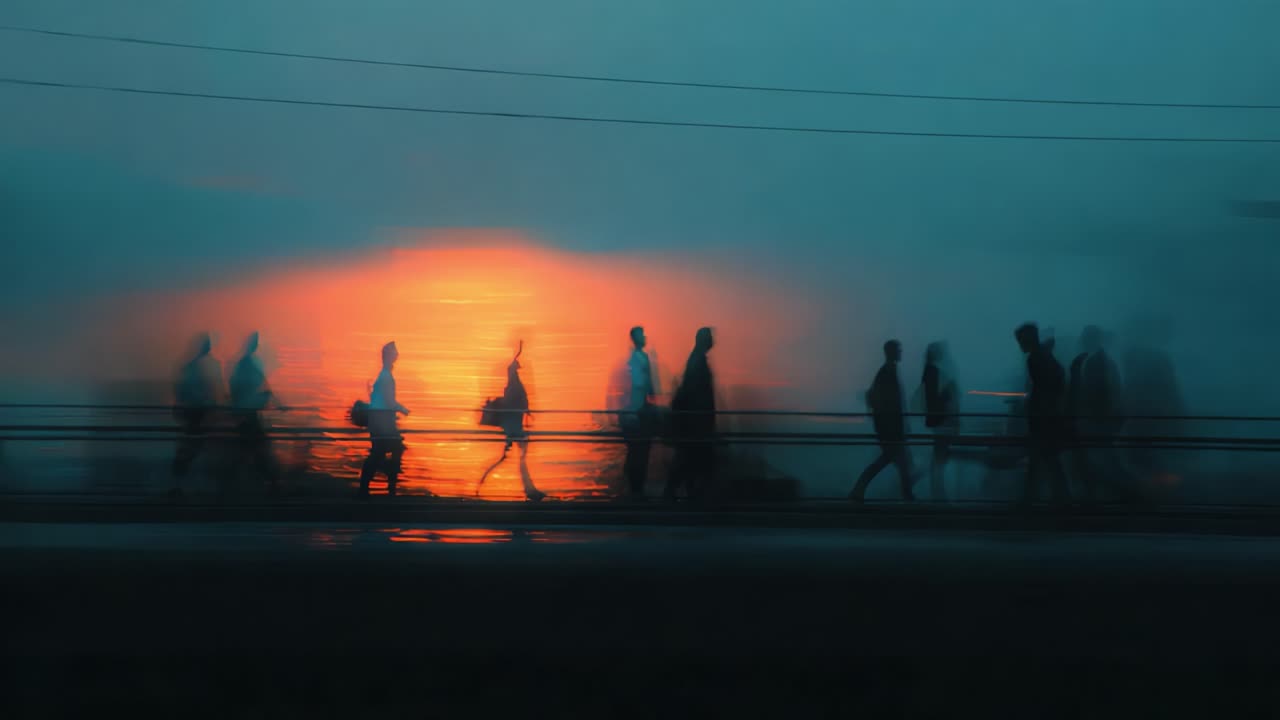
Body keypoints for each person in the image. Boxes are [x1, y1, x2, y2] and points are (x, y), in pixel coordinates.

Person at [477, 342, 546, 502]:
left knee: (514, 459)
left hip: (514, 428)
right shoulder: (513, 387)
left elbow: (520, 403)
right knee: (517, 459)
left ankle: (530, 490)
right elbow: (517, 403)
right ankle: (529, 491)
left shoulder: (513, 386)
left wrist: (526, 413)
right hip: (514, 429)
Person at [1068, 326, 1129, 503]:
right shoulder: (1103, 361)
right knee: (1101, 458)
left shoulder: (1095, 362)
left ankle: (1122, 494)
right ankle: (1103, 494)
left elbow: (1094, 393)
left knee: (1097, 459)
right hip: (1101, 419)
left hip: (1096, 419)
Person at [850, 340, 916, 503]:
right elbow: (892, 403)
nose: (901, 352)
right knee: (896, 463)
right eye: (898, 350)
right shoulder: (887, 372)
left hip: (889, 428)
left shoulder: (887, 371)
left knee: (893, 462)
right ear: (891, 352)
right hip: (891, 429)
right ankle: (906, 496)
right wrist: (899, 427)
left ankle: (859, 490)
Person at [1015, 323, 1070, 507]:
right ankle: (1058, 499)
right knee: (1048, 460)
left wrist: (1033, 409)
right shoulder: (1046, 356)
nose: (1019, 345)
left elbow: (1042, 390)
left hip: (1042, 419)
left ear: (1027, 340)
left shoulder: (1034, 359)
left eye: (1020, 341)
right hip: (1050, 417)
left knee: (1041, 460)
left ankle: (1034, 500)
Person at [666, 327, 716, 502]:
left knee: (688, 460)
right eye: (709, 337)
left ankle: (684, 493)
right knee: (689, 459)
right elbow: (696, 394)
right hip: (696, 423)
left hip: (694, 422)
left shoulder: (696, 359)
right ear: (702, 340)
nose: (713, 340)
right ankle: (680, 494)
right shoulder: (698, 362)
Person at [171, 332, 223, 497]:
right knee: (196, 448)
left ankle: (180, 484)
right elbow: (212, 390)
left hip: (195, 413)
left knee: (191, 448)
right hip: (200, 413)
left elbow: (181, 391)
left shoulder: (190, 366)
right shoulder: (207, 366)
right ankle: (188, 485)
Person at [228, 331, 278, 495]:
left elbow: (259, 384)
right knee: (257, 448)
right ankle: (269, 483)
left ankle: (261, 482)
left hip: (245, 413)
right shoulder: (248, 364)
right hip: (247, 413)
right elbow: (260, 385)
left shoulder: (244, 364)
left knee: (249, 449)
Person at [359, 341, 410, 498]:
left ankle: (378, 484)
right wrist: (402, 409)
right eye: (394, 355)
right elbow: (389, 400)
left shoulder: (384, 375)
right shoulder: (386, 377)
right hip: (382, 422)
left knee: (382, 452)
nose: (396, 358)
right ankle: (389, 486)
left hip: (381, 421)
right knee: (390, 450)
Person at [621, 326, 658, 499]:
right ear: (636, 339)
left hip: (638, 411)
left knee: (638, 451)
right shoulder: (636, 360)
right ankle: (635, 489)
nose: (645, 337)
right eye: (642, 335)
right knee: (638, 451)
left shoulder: (641, 358)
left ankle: (635, 488)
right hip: (637, 413)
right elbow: (639, 385)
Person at [921, 342, 959, 502]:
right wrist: (948, 392)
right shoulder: (933, 372)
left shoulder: (931, 371)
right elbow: (935, 397)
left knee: (939, 456)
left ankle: (937, 491)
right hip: (942, 421)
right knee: (939, 457)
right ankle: (937, 493)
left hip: (940, 421)